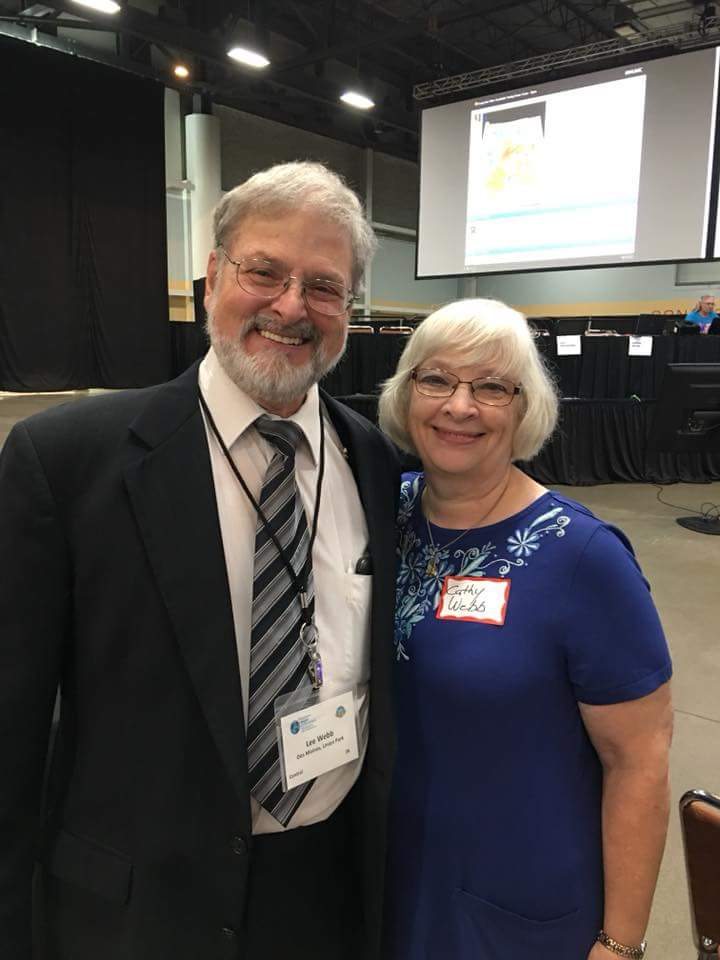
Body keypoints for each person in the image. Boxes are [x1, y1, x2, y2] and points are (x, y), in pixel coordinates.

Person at [0, 161, 400, 960]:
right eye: (264, 272)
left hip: (327, 894)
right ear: (213, 276)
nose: (291, 306)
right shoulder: (67, 460)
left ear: (350, 309)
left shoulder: (374, 460)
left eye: (324, 286)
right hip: (137, 909)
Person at [378, 299, 673, 960]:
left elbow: (640, 761)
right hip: (393, 881)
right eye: (436, 379)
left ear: (524, 408)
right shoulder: (382, 514)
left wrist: (620, 945)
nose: (459, 406)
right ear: (406, 393)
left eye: (491, 387)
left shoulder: (584, 557)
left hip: (518, 900)